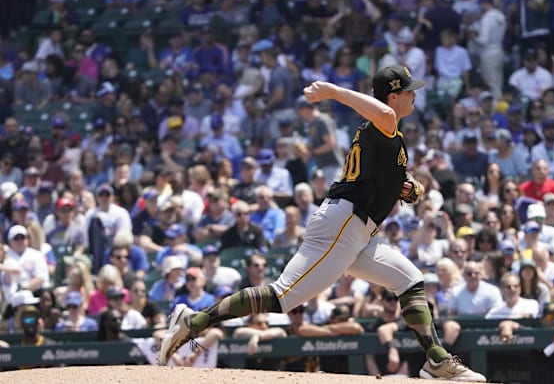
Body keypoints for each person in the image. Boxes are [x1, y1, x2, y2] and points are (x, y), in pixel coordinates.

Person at [158, 65, 488, 381]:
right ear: (392, 96)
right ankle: (194, 321)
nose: (414, 96)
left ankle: (436, 360)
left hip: (358, 230)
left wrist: (403, 184)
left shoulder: (383, 133)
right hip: (344, 224)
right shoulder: (384, 122)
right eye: (408, 91)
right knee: (281, 297)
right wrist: (333, 91)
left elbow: (380, 174)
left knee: (411, 281)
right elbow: (383, 118)